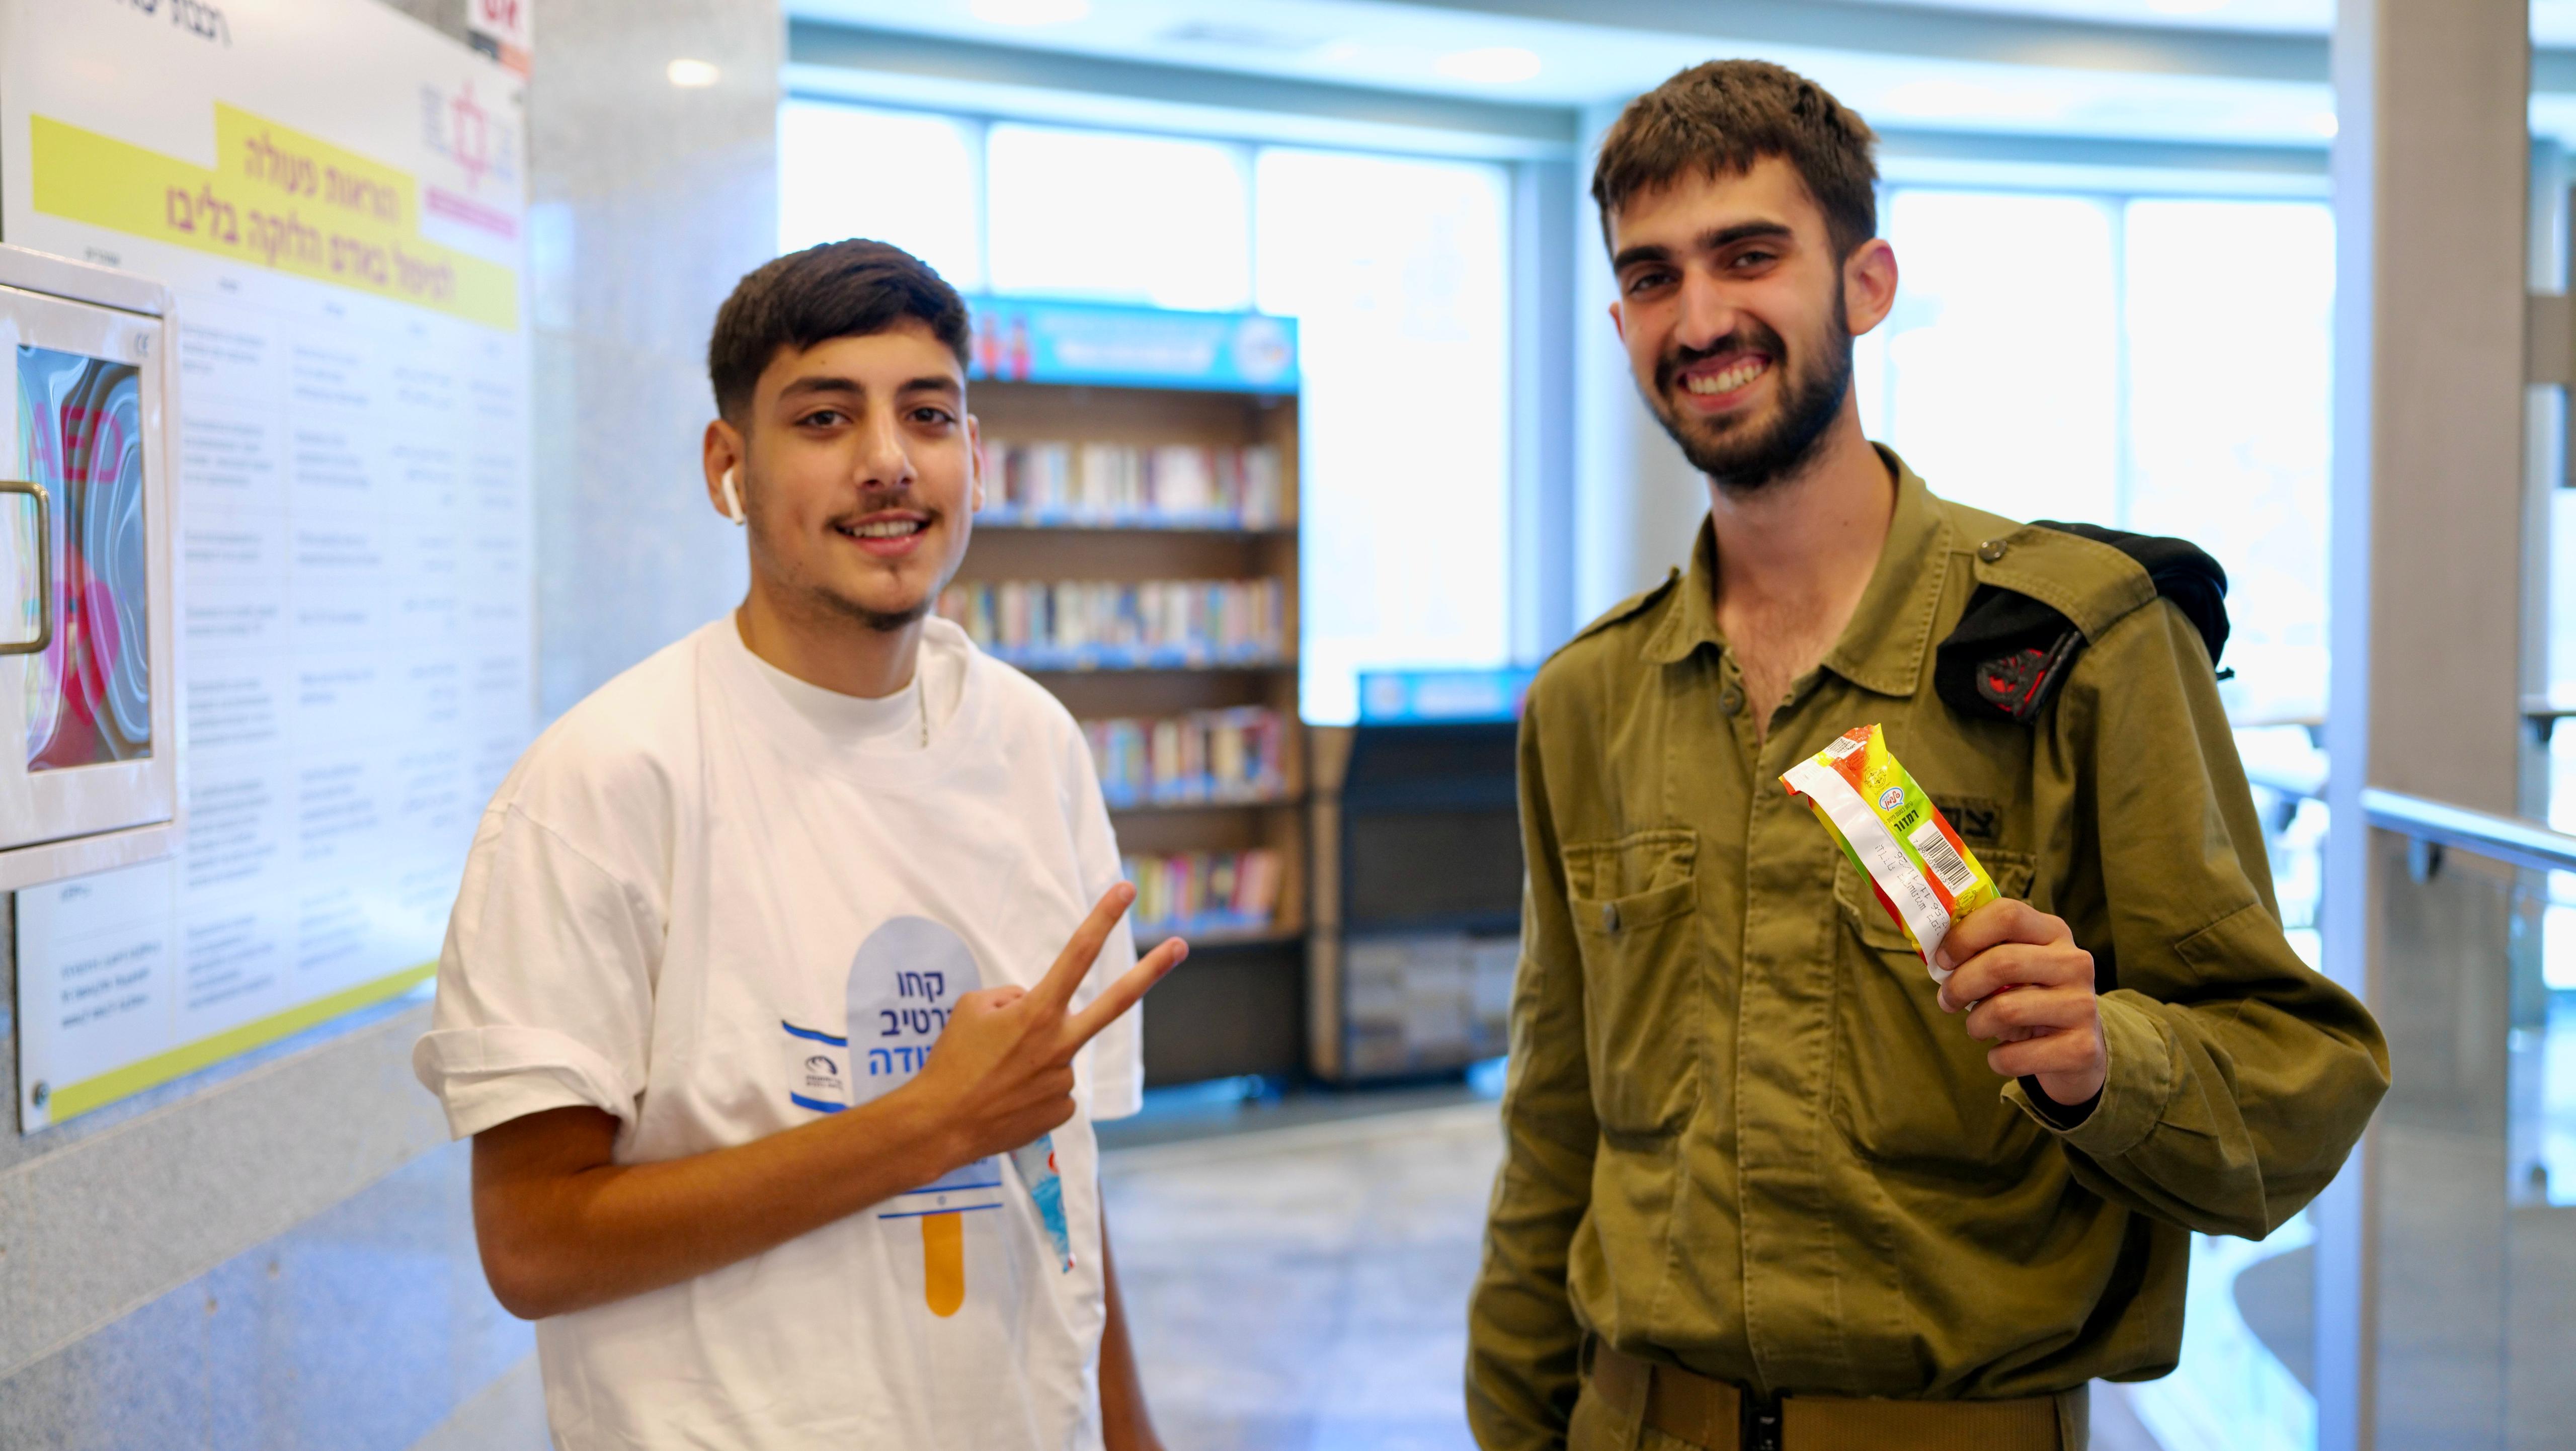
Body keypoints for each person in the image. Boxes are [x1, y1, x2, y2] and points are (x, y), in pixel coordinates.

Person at [1465, 60, 2387, 1451]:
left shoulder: (2087, 646)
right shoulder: (1589, 698)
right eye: (1652, 277)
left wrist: (2103, 1056)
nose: (1699, 319)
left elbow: (2299, 1074)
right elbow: (1554, 1125)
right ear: (1618, 319)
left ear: (1867, 282)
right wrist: (1512, 1420)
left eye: (1749, 255)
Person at [413, 240, 1183, 1451]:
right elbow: (534, 1245)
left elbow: (1057, 1164)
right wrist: (928, 1123)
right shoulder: (605, 780)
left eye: (927, 414)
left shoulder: (1032, 741)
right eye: (824, 417)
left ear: (975, 458)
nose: (888, 461)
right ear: (728, 466)